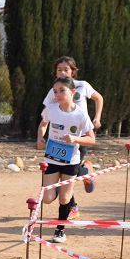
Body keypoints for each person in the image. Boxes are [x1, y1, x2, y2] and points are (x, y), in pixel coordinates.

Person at [40, 56, 103, 218]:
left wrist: (97, 117)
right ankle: (72, 203)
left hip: (79, 135)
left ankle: (85, 171)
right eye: (59, 70)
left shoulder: (83, 85)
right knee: (64, 173)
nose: (62, 72)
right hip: (60, 138)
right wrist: (42, 133)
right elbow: (47, 113)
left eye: (66, 69)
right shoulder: (55, 90)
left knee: (71, 168)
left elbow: (99, 98)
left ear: (73, 72)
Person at [36, 77, 96, 243]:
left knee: (64, 199)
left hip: (71, 161)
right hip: (52, 158)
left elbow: (92, 139)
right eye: (55, 91)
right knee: (47, 198)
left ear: (73, 92)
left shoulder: (81, 114)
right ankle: (83, 172)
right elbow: (43, 124)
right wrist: (40, 138)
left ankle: (60, 231)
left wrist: (76, 139)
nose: (58, 94)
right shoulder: (51, 109)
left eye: (62, 90)